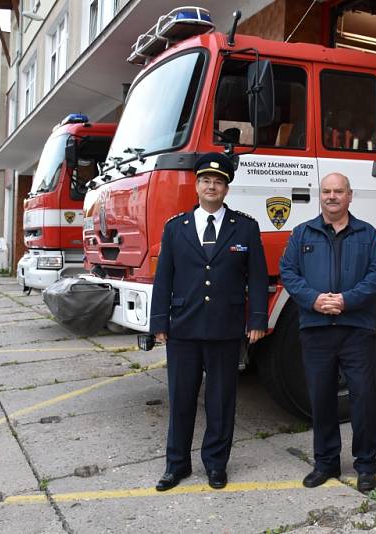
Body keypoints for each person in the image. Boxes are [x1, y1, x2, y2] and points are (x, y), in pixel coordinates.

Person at [149, 152, 268, 491]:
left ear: (226, 188)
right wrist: (160, 322)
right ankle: (177, 466)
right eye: (206, 180)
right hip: (184, 328)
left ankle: (216, 465)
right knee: (181, 399)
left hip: (225, 328)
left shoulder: (245, 226)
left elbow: (257, 277)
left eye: (218, 182)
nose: (211, 186)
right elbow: (164, 279)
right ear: (197, 185)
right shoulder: (176, 227)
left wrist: (257, 318)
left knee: (220, 402)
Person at [279, 172, 376, 493]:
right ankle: (325, 463)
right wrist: (314, 300)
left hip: (356, 329)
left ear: (349, 196)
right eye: (326, 191)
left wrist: (345, 300)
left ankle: (366, 464)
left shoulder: (367, 235)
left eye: (338, 191)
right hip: (316, 330)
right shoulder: (302, 234)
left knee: (364, 397)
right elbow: (289, 271)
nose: (332, 196)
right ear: (320, 196)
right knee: (322, 398)